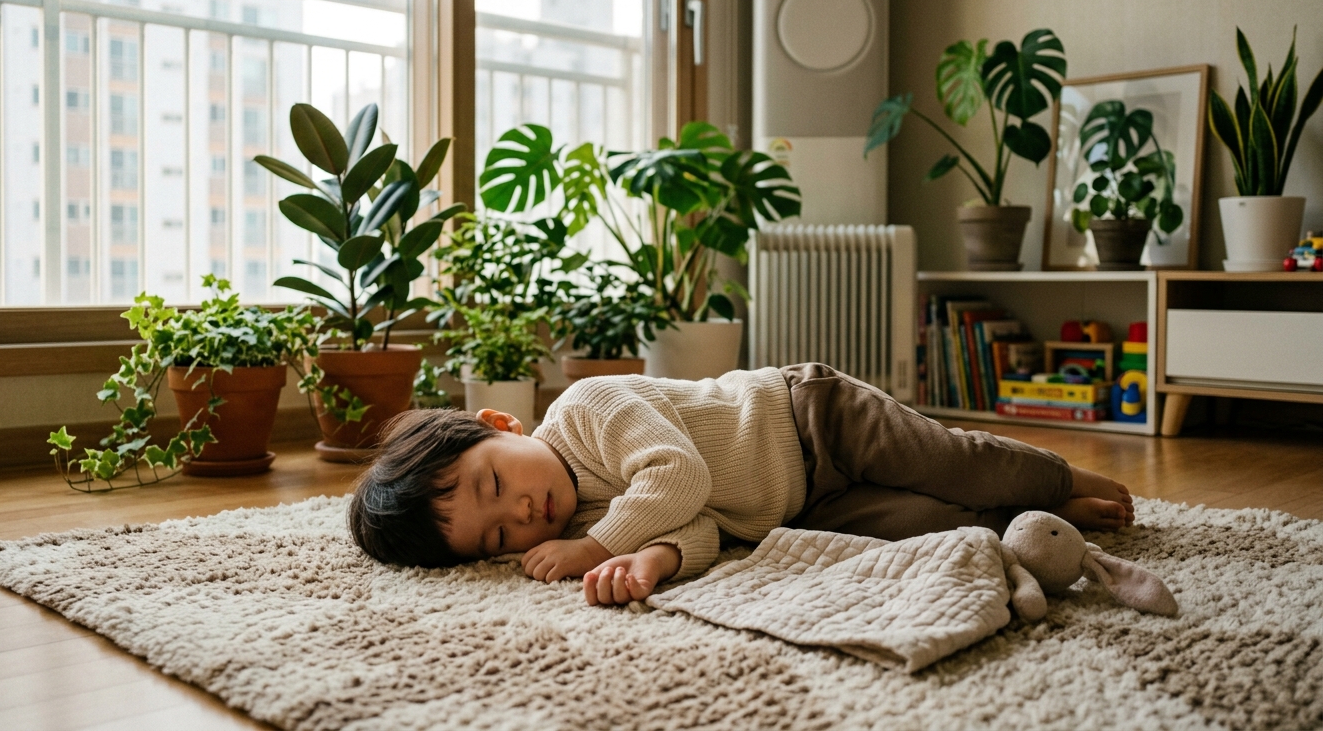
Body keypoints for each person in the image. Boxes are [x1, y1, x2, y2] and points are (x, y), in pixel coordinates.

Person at [348, 364, 1134, 607]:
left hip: (810, 418)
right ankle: (1041, 518)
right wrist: (655, 562)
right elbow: (697, 527)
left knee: (958, 462)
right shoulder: (587, 513)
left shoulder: (586, 409)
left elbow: (678, 477)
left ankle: (1062, 476)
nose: (520, 513)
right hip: (806, 502)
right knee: (924, 523)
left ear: (504, 424)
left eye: (494, 483)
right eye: (495, 537)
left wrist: (595, 544)